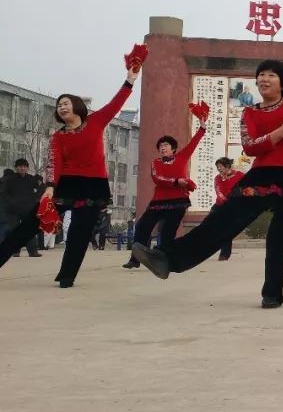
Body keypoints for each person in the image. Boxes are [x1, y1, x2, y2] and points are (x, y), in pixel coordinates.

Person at [133, 37, 283, 307]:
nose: (264, 79)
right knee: (224, 219)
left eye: (271, 75)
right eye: (260, 75)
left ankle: (272, 294)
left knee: (281, 234)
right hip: (263, 174)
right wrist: (282, 131)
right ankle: (167, 258)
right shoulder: (250, 114)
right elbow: (250, 148)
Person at [0, 55, 141, 286]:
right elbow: (54, 162)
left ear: (77, 106)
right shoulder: (59, 136)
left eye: (65, 103)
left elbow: (116, 103)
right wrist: (49, 187)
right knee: (28, 225)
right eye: (59, 105)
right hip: (66, 184)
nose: (61, 107)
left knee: (79, 233)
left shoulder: (96, 121)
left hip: (93, 186)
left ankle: (67, 276)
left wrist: (130, 80)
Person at [123, 116, 207, 268]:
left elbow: (193, 144)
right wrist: (176, 181)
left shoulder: (182, 156)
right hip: (159, 201)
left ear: (173, 148)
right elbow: (157, 178)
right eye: (161, 146)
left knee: (167, 232)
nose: (163, 147)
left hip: (178, 201)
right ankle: (135, 259)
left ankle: (164, 260)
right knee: (142, 226)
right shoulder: (156, 162)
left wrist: (202, 128)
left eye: (166, 145)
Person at [2, 159, 43, 257]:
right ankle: (15, 251)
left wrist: (35, 197)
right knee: (14, 230)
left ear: (27, 168)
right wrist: (10, 202)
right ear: (16, 168)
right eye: (20, 166)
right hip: (13, 210)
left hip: (27, 209)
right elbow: (3, 192)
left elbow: (42, 188)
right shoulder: (9, 179)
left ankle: (33, 251)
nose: (22, 168)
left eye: (24, 166)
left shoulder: (31, 179)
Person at [212, 157, 245, 261]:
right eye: (217, 167)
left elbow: (247, 187)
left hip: (233, 207)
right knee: (210, 227)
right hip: (219, 206)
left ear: (227, 166)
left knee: (226, 230)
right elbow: (219, 192)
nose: (219, 169)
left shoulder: (240, 175)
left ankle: (224, 254)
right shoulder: (218, 178)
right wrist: (225, 202)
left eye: (221, 167)